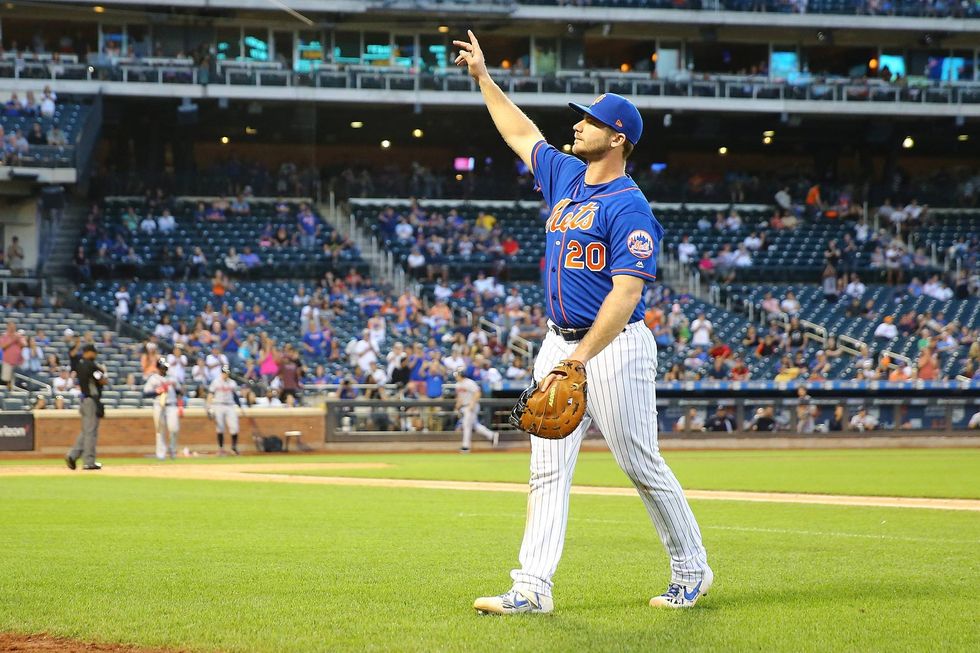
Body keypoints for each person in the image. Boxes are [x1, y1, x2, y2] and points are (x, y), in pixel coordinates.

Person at [455, 31, 711, 615]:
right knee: (546, 469)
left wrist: (580, 358)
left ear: (617, 138)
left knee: (639, 462)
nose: (578, 126)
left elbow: (626, 294)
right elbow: (522, 133)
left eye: (591, 122)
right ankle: (531, 589)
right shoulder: (566, 180)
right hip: (557, 342)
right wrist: (484, 79)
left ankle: (691, 570)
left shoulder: (629, 205)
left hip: (614, 347)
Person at [65, 344, 107, 470]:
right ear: (89, 352)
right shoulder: (90, 364)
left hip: (84, 400)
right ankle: (88, 461)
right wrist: (102, 372)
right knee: (90, 432)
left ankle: (73, 455)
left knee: (87, 431)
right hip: (91, 400)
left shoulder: (79, 364)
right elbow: (101, 380)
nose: (95, 355)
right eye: (94, 353)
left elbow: (71, 356)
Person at [142, 357, 181, 460]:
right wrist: (157, 391)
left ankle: (172, 450)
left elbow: (179, 391)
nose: (164, 369)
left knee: (174, 428)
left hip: (171, 405)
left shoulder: (172, 378)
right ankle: (161, 454)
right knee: (160, 430)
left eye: (165, 367)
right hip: (159, 405)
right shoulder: (153, 378)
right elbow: (145, 393)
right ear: (158, 368)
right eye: (162, 367)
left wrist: (180, 403)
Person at [453, 369, 499, 452]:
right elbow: (459, 397)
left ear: (461, 375)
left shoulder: (469, 382)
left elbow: (477, 393)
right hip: (464, 407)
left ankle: (465, 446)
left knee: (466, 425)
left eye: (457, 375)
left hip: (471, 406)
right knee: (475, 426)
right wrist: (457, 408)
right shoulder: (457, 385)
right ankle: (491, 435)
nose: (456, 376)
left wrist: (472, 404)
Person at [207, 365, 243, 455]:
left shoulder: (232, 383)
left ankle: (234, 448)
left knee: (234, 427)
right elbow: (210, 394)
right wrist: (209, 407)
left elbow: (235, 396)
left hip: (230, 405)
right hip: (218, 405)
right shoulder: (216, 382)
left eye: (227, 373)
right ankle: (221, 448)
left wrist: (240, 406)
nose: (225, 374)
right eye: (224, 372)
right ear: (221, 372)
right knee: (220, 428)